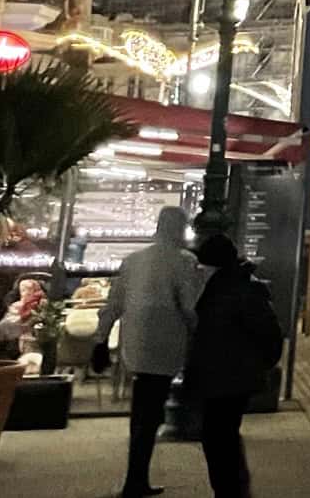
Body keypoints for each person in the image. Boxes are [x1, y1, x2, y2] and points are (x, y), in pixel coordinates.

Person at [92, 205, 203, 498]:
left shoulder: (133, 261)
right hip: (166, 347)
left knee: (142, 411)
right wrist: (199, 335)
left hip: (136, 346)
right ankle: (135, 479)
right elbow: (189, 307)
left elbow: (112, 306)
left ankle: (136, 477)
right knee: (149, 413)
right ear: (180, 229)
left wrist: (100, 341)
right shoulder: (184, 261)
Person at [184, 234, 285, 498]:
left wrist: (257, 365)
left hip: (229, 378)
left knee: (219, 438)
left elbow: (270, 335)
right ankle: (232, 490)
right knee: (221, 437)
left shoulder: (236, 289)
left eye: (202, 265)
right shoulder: (228, 285)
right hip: (227, 376)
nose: (198, 269)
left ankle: (231, 491)